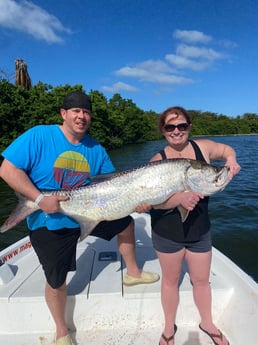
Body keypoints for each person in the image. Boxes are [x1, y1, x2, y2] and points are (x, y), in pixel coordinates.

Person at [0, 90, 159, 345]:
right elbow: (7, 169)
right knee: (57, 280)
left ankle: (133, 273)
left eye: (86, 112)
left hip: (91, 210)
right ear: (64, 114)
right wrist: (39, 200)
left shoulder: (95, 148)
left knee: (126, 223)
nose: (81, 116)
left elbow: (113, 185)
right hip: (49, 221)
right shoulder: (40, 135)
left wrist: (134, 200)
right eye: (76, 111)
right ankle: (62, 331)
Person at [148, 106, 241, 345]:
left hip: (200, 229)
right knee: (170, 280)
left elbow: (226, 149)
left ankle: (207, 322)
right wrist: (177, 199)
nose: (176, 131)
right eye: (170, 127)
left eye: (181, 126)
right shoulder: (157, 161)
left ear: (189, 126)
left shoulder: (204, 147)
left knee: (201, 280)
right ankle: (169, 327)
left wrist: (230, 160)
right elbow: (148, 203)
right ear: (163, 130)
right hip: (167, 232)